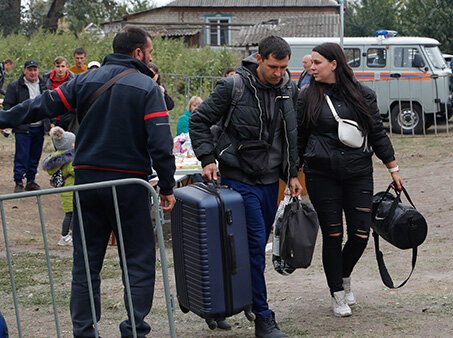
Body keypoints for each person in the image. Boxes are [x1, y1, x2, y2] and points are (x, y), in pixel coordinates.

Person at [0, 26, 176, 337]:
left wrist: (3, 118)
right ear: (138, 53)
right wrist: (167, 186)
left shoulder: (81, 80)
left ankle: (84, 331)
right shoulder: (148, 88)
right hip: (129, 186)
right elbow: (161, 144)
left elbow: (40, 106)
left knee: (86, 264)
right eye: (149, 52)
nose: (151, 58)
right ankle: (134, 329)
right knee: (137, 262)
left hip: (87, 184)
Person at [189, 35, 302, 338]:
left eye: (284, 67)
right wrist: (207, 158)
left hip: (271, 182)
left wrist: (292, 173)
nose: (279, 73)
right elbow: (198, 121)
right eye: (274, 66)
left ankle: (227, 302)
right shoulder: (233, 86)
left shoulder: (289, 89)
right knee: (253, 248)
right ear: (260, 58)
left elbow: (291, 134)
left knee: (243, 249)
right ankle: (264, 318)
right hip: (239, 181)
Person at [297, 42, 402, 317]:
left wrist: (393, 167)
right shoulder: (308, 96)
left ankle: (344, 275)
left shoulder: (362, 95)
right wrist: (292, 174)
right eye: (312, 62)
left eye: (318, 62)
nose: (312, 67)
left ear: (334, 64)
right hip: (321, 174)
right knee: (333, 235)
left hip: (357, 173)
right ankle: (336, 292)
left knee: (359, 234)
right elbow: (299, 138)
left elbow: (377, 132)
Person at [3, 60, 50, 192]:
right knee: (21, 156)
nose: (33, 73)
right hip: (23, 127)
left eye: (35, 70)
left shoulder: (44, 85)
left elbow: (49, 104)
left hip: (39, 126)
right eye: (30, 70)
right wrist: (7, 123)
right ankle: (18, 181)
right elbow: (8, 105)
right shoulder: (15, 86)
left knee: (35, 156)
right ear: (24, 71)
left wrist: (49, 122)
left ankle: (31, 180)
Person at [42, 126, 76, 246]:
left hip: (66, 190)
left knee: (71, 214)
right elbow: (73, 171)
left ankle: (70, 235)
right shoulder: (70, 158)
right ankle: (65, 236)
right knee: (70, 215)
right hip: (72, 190)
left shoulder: (58, 157)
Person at [44, 56, 75, 130]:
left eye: (63, 66)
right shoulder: (46, 80)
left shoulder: (73, 80)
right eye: (58, 66)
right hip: (54, 118)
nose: (60, 69)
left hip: (69, 119)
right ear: (54, 67)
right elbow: (45, 101)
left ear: (67, 67)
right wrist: (49, 121)